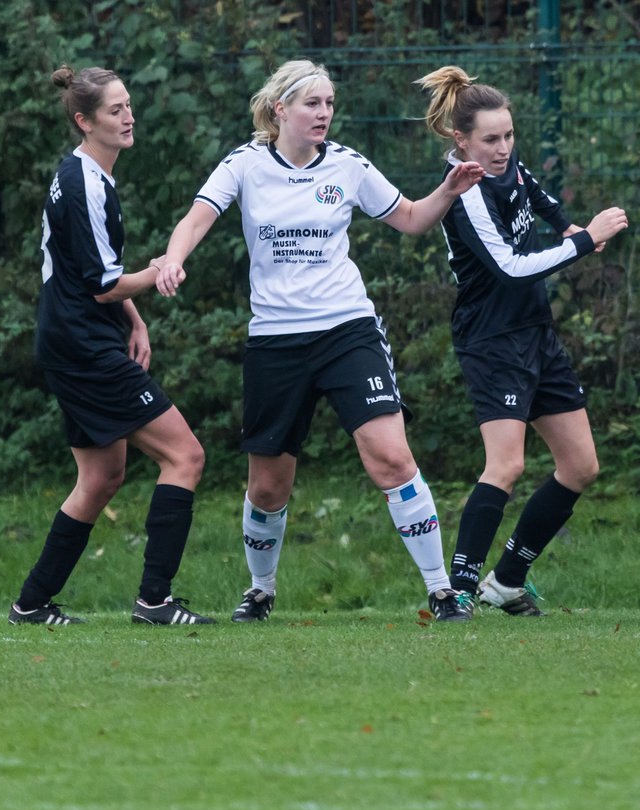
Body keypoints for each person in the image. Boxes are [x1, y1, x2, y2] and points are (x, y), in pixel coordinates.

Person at [157, 59, 485, 622]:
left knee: (391, 458)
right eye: (312, 103)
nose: (324, 113)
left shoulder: (348, 166)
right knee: (267, 487)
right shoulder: (246, 164)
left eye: (329, 103)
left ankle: (441, 590)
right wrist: (173, 257)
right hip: (276, 342)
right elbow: (197, 216)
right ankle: (260, 591)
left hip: (346, 330)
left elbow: (409, 218)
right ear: (280, 109)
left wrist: (448, 191)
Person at [414, 66, 629, 620]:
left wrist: (566, 225)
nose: (503, 148)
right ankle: (454, 590)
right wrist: (584, 242)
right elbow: (511, 270)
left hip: (536, 333)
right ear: (461, 140)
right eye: (490, 139)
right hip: (492, 339)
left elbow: (540, 198)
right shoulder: (464, 193)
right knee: (505, 467)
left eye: (509, 136)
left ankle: (507, 580)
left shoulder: (509, 167)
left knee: (580, 466)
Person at [9, 65, 211, 627]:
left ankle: (30, 605)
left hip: (74, 336)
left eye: (128, 105)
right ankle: (154, 601)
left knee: (101, 477)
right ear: (84, 120)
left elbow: (89, 274)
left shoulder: (85, 173)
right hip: (80, 344)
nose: (128, 117)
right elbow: (102, 284)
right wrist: (161, 269)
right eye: (115, 110)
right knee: (185, 456)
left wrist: (135, 319)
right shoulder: (84, 185)